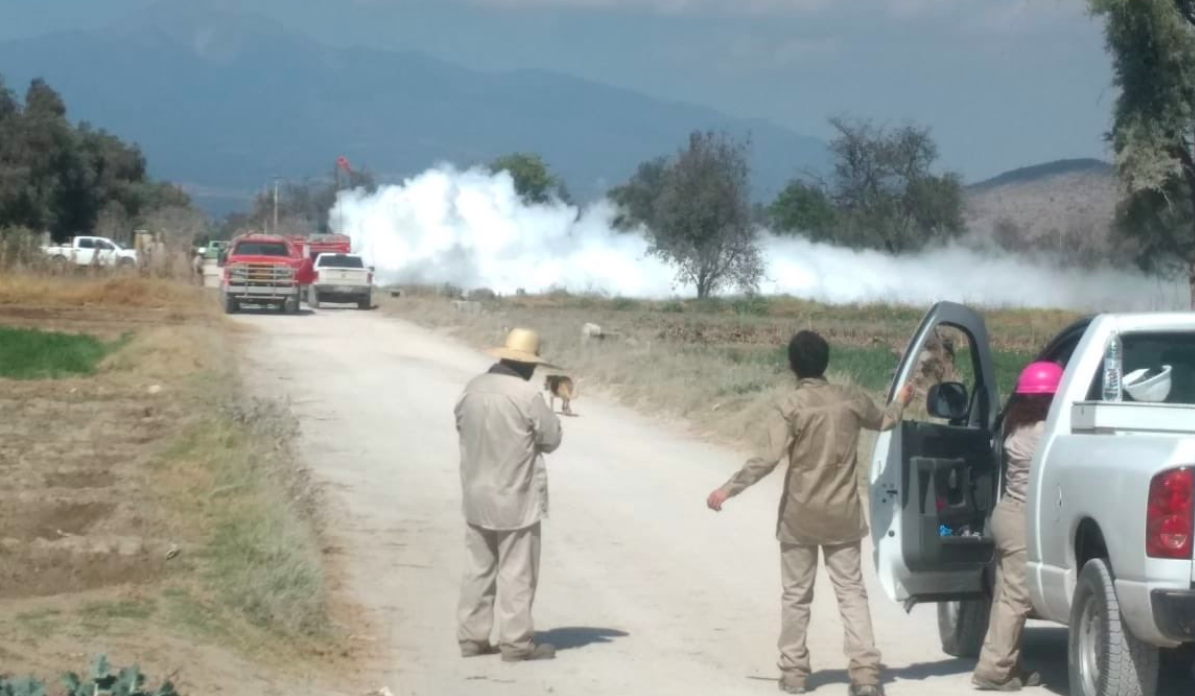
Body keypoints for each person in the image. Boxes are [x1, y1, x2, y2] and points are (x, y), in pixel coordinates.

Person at [707, 330, 915, 696]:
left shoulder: (790, 406)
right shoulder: (849, 399)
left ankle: (794, 674)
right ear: (826, 362)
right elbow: (885, 420)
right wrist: (901, 401)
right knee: (851, 593)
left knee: (796, 595)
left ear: (793, 365)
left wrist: (729, 488)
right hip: (843, 515)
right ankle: (866, 675)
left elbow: (768, 459)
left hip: (799, 517)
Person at [455, 328, 563, 662]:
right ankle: (516, 644)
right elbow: (551, 439)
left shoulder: (471, 388)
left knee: (478, 569)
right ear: (527, 364)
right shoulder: (526, 395)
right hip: (515, 496)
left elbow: (460, 426)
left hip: (475, 493)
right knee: (517, 571)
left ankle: (472, 639)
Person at [971, 361, 1061, 691]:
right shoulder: (1043, 433)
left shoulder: (1014, 427)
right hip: (1022, 518)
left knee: (1005, 597)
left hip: (1006, 514)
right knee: (1015, 600)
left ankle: (1008, 665)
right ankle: (993, 672)